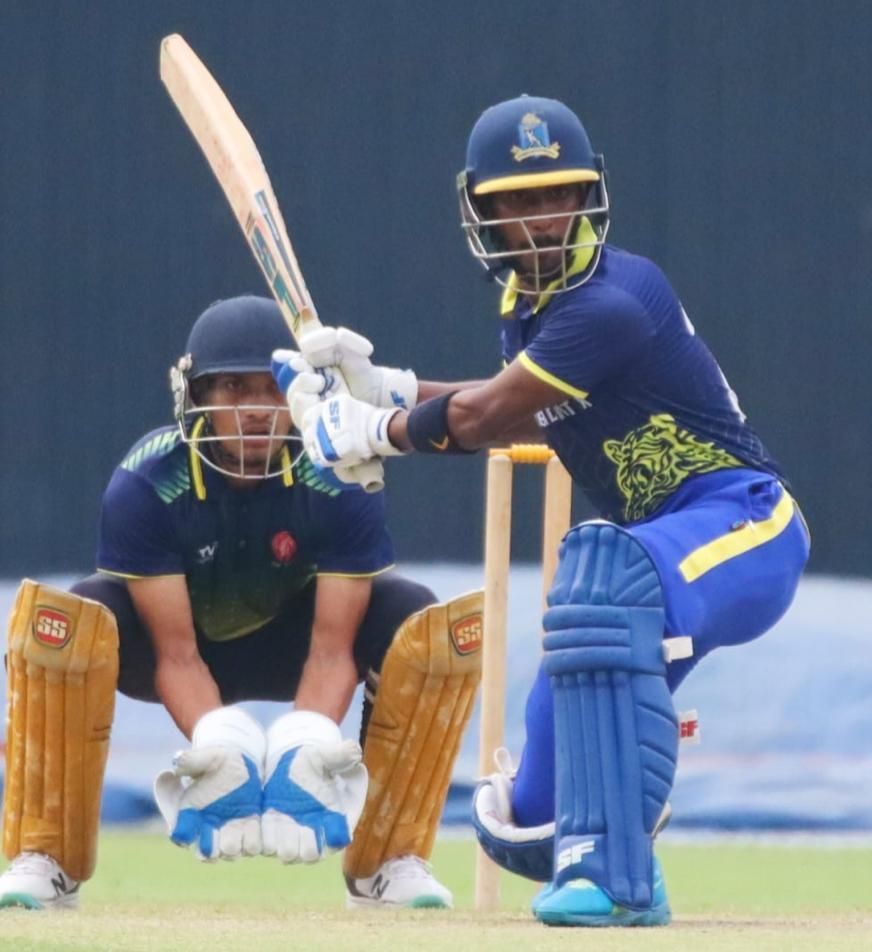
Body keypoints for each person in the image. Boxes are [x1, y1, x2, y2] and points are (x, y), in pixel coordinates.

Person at [273, 95, 811, 927]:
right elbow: (526, 408)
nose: (539, 219)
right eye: (516, 202)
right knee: (527, 815)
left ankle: (616, 879)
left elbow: (485, 419)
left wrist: (370, 431)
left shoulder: (610, 301)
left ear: (588, 194)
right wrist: (392, 391)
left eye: (554, 195)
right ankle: (618, 847)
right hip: (661, 551)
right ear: (480, 213)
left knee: (602, 579)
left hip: (745, 526)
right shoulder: (530, 309)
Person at [0, 295, 483, 912]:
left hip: (297, 646)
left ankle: (387, 863)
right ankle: (47, 858)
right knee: (65, 624)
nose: (255, 409)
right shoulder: (149, 480)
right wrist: (219, 744)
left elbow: (334, 651)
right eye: (232, 387)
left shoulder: (339, 470)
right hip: (176, 653)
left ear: (302, 394)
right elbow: (175, 656)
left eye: (273, 389)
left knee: (419, 621)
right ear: (194, 396)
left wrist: (302, 752)